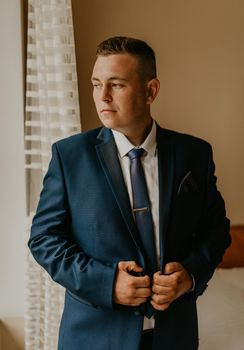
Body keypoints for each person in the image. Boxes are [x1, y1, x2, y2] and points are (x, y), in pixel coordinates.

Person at [28, 36, 231, 350]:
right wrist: (107, 283)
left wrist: (189, 275)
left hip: (173, 337)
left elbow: (216, 231)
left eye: (116, 84)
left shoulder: (195, 154)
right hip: (94, 338)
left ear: (150, 91)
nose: (102, 97)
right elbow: (44, 239)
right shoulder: (69, 157)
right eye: (96, 84)